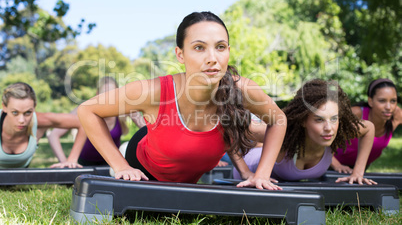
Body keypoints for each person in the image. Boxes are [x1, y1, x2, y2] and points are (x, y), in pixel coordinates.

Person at [77, 11, 287, 190]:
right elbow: (87, 110)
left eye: (220, 47)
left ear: (228, 52)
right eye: (199, 47)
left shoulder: (242, 90)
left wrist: (259, 173)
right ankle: (123, 151)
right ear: (180, 54)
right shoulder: (153, 91)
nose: (212, 57)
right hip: (143, 163)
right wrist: (121, 166)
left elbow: (278, 119)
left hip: (187, 175)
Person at [233, 79, 377, 185]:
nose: (328, 127)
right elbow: (229, 133)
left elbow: (369, 128)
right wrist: (245, 172)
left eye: (334, 119)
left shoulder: (336, 131)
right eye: (319, 120)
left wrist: (358, 172)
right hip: (248, 171)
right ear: (303, 121)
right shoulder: (283, 134)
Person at [49, 76, 146, 168]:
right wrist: (64, 161)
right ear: (97, 94)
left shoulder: (124, 109)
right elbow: (53, 135)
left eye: (113, 94)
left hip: (113, 164)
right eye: (105, 94)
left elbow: (147, 130)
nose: (109, 99)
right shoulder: (84, 109)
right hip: (85, 164)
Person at [0, 82, 86, 168]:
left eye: (28, 112)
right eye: (15, 112)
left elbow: (83, 123)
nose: (22, 120)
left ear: (34, 107)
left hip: (22, 177)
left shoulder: (41, 120)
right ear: (4, 107)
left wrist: (72, 160)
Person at [332, 78, 402, 173]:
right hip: (331, 165)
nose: (389, 107)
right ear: (370, 101)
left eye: (393, 101)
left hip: (359, 169)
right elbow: (321, 137)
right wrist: (337, 165)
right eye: (382, 101)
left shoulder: (396, 116)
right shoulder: (355, 114)